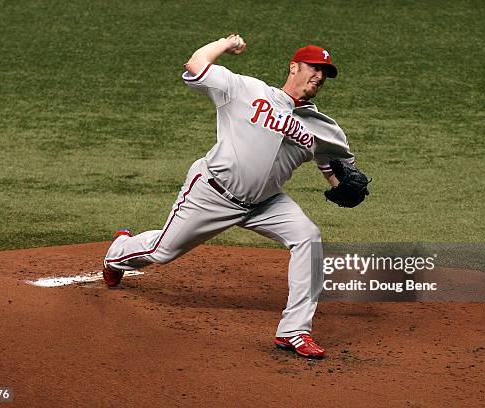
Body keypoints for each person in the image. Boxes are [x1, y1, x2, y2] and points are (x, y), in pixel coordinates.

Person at [103, 34, 362, 359]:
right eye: (315, 68)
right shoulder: (247, 90)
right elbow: (196, 66)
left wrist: (338, 184)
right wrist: (225, 44)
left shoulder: (325, 129)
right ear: (294, 67)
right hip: (212, 193)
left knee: (308, 238)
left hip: (266, 202)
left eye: (325, 73)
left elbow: (330, 161)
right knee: (162, 251)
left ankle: (294, 331)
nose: (320, 76)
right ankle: (117, 252)